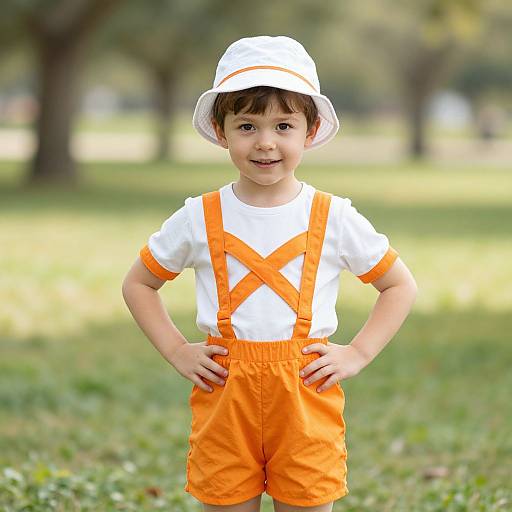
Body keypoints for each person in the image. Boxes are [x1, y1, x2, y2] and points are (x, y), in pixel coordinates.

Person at [122, 35, 418, 512]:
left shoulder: (333, 216)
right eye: (247, 125)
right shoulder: (199, 216)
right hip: (224, 396)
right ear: (221, 131)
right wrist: (177, 349)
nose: (265, 142)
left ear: (310, 129)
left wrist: (358, 353)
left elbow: (399, 285)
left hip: (305, 393)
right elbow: (139, 282)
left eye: (283, 124)